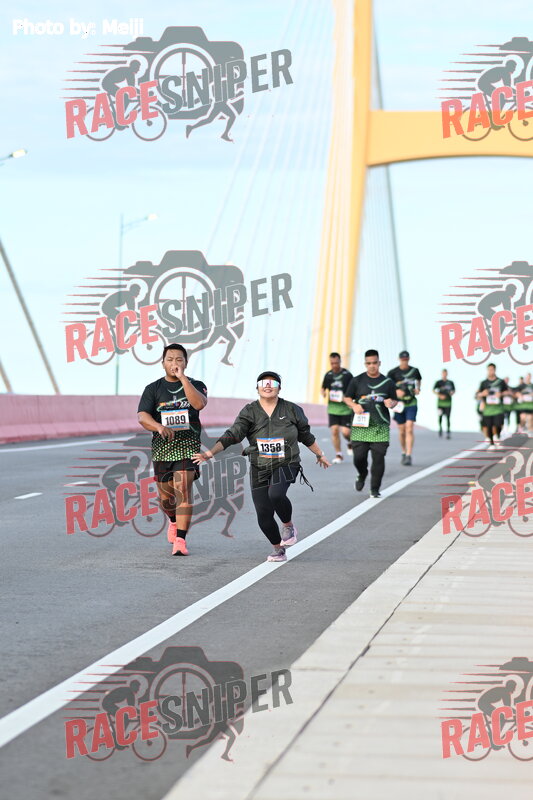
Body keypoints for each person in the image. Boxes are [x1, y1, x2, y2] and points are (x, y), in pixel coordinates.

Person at [192, 371, 330, 562]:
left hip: (287, 462)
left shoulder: (292, 409)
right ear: (257, 388)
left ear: (279, 388)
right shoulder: (250, 411)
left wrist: (319, 454)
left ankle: (288, 525)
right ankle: (278, 549)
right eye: (264, 383)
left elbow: (305, 435)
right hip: (259, 465)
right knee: (263, 514)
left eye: (273, 383)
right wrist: (210, 453)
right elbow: (233, 434)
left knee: (276, 494)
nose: (268, 386)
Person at [137, 343, 208, 556]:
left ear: (185, 363)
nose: (174, 363)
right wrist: (158, 427)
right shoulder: (153, 389)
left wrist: (183, 379)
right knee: (166, 498)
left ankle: (180, 540)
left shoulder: (196, 385)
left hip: (188, 446)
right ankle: (173, 520)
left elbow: (199, 404)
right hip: (163, 448)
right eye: (170, 359)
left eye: (179, 359)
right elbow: (142, 416)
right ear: (162, 363)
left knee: (182, 488)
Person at [344, 349, 397, 498]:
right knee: (359, 458)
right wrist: (354, 405)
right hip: (360, 426)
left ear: (379, 363)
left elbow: (394, 400)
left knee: (378, 459)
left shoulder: (388, 383)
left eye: (374, 363)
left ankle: (374, 489)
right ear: (365, 364)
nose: (372, 366)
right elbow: (347, 398)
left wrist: (391, 403)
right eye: (369, 363)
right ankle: (362, 474)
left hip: (380, 427)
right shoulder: (357, 380)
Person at [387, 351, 422, 466]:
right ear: (399, 359)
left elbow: (419, 380)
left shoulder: (414, 371)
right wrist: (395, 392)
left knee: (409, 428)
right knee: (402, 430)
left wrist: (418, 389)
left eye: (406, 359)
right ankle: (403, 451)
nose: (404, 361)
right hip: (399, 404)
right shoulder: (393, 372)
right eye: (403, 359)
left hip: (411, 402)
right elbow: (387, 387)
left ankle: (408, 455)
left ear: (409, 359)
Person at [321, 352, 353, 463]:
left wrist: (347, 397)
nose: (334, 365)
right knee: (334, 431)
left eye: (336, 363)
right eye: (332, 363)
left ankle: (350, 442)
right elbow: (323, 388)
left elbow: (354, 389)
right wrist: (323, 393)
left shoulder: (347, 375)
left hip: (345, 409)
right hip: (333, 408)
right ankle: (339, 454)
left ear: (340, 362)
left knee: (346, 432)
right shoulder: (328, 375)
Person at [476, 363, 508, 449]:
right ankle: (492, 443)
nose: (490, 371)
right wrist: (482, 394)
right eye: (489, 370)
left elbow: (507, 392)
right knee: (489, 426)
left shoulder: (500, 382)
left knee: (499, 424)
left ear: (495, 370)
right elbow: (477, 395)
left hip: (498, 408)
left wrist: (501, 394)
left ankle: (497, 436)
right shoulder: (483, 383)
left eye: (492, 370)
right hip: (487, 408)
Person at [433, 369, 455, 438]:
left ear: (447, 374)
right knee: (440, 417)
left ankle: (448, 431)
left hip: (448, 403)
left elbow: (453, 390)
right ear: (442, 374)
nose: (444, 374)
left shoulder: (450, 382)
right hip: (440, 403)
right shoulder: (438, 382)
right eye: (443, 373)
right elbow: (433, 390)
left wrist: (451, 393)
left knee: (448, 417)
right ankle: (440, 429)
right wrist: (439, 395)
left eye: (445, 373)